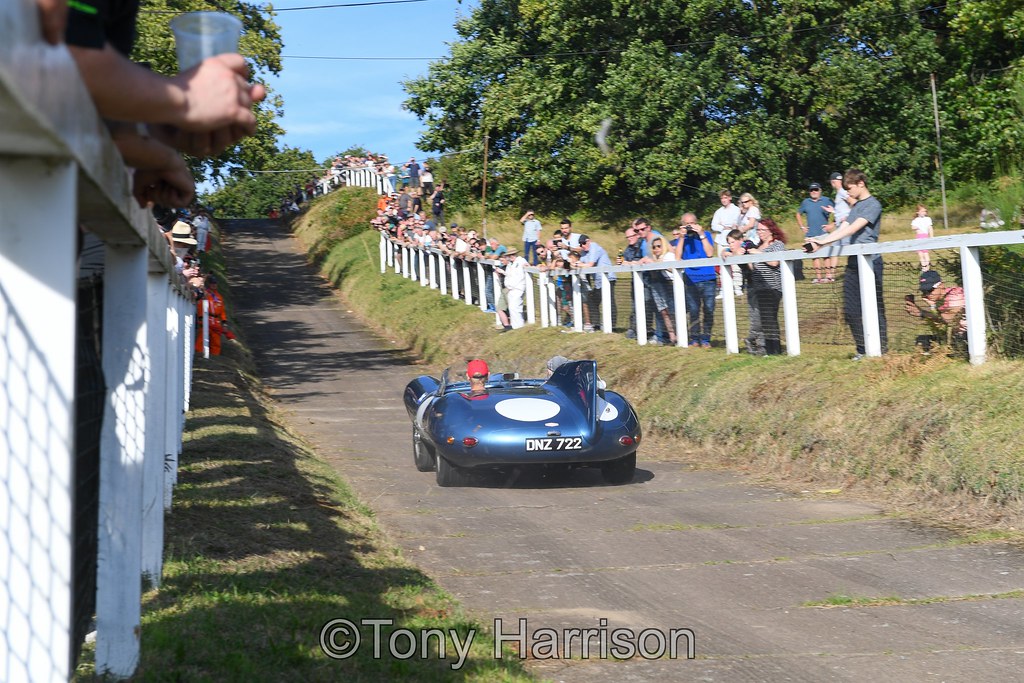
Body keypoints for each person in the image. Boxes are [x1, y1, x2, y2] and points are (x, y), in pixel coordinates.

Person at [805, 169, 888, 360]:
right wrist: (819, 242)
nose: (847, 193)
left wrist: (823, 243)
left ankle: (881, 350)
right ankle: (862, 349)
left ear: (861, 183)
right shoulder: (856, 206)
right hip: (853, 263)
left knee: (875, 307)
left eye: (849, 189)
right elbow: (842, 227)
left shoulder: (873, 205)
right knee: (851, 309)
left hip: (871, 262)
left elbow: (852, 228)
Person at [675, 212, 716, 348]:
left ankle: (706, 339)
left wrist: (702, 234)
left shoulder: (706, 235)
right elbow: (677, 257)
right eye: (686, 224)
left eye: (692, 223)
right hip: (691, 279)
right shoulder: (683, 239)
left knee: (709, 309)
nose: (689, 226)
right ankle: (694, 338)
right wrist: (681, 237)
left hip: (708, 277)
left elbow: (710, 253)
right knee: (694, 310)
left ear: (696, 223)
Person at [749, 219, 787, 355]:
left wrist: (758, 254)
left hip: (772, 287)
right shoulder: (757, 247)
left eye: (762, 230)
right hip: (759, 287)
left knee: (770, 318)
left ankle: (775, 349)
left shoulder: (777, 245)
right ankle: (769, 349)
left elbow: (774, 262)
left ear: (771, 230)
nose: (760, 233)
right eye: (758, 230)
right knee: (764, 319)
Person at [904, 270, 966, 352]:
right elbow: (940, 320)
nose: (927, 295)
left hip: (969, 337)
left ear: (941, 285)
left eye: (930, 290)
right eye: (924, 292)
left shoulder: (955, 296)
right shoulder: (941, 299)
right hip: (957, 336)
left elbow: (950, 320)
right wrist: (921, 313)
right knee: (922, 341)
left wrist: (930, 308)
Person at [576, 234, 617, 332]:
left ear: (588, 241)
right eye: (581, 244)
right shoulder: (584, 253)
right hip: (599, 282)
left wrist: (580, 264)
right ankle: (596, 324)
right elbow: (580, 264)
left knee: (610, 302)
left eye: (584, 243)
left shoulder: (594, 247)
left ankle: (612, 326)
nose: (583, 246)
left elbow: (590, 264)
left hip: (608, 278)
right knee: (592, 301)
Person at [796, 182, 833, 283]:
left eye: (816, 190)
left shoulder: (827, 200)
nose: (814, 192)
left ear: (820, 190)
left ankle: (829, 277)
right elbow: (798, 214)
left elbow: (838, 212)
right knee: (814, 255)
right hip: (810, 235)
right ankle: (819, 278)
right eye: (811, 190)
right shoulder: (806, 202)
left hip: (824, 234)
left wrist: (832, 225)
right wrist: (802, 227)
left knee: (826, 255)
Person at [646, 237, 678, 345]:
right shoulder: (653, 258)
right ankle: (672, 336)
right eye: (654, 247)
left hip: (670, 284)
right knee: (664, 312)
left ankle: (680, 335)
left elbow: (674, 268)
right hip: (658, 285)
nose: (656, 249)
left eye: (659, 246)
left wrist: (660, 264)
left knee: (673, 312)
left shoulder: (669, 256)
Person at [824, 171, 850, 281]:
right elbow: (843, 210)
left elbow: (854, 204)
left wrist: (849, 217)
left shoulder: (843, 192)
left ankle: (857, 270)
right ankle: (831, 276)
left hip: (846, 226)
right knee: (834, 250)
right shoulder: (839, 192)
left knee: (850, 250)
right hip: (839, 227)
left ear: (833, 182)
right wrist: (833, 211)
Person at [503, 247, 529, 329]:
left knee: (516, 306)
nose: (511, 256)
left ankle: (519, 325)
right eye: (509, 255)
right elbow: (507, 275)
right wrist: (508, 285)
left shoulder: (521, 261)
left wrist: (512, 285)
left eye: (512, 254)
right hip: (511, 289)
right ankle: (515, 326)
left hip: (518, 288)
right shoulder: (510, 264)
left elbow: (521, 275)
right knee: (512, 307)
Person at [912, 204, 934, 271]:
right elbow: (913, 227)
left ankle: (927, 267)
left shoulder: (927, 219)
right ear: (918, 212)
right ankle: (923, 267)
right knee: (920, 254)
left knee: (926, 253)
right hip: (919, 237)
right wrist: (917, 227)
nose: (924, 213)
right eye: (922, 211)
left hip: (925, 237)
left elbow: (930, 228)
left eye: (925, 211)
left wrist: (931, 237)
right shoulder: (916, 220)